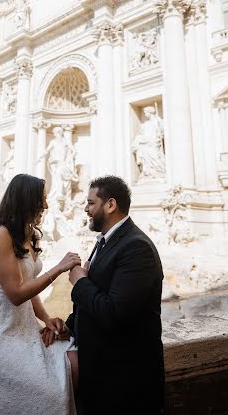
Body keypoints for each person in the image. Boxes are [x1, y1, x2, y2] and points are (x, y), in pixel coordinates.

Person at [0, 173, 81, 415]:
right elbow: (15, 294)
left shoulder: (28, 233)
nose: (46, 205)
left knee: (71, 361)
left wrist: (45, 318)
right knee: (50, 392)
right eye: (41, 199)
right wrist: (58, 268)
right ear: (25, 200)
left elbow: (28, 283)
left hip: (21, 327)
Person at [62, 175, 165, 414]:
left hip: (126, 386)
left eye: (90, 203)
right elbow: (99, 297)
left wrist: (80, 282)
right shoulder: (106, 241)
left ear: (110, 205)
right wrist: (67, 327)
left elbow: (113, 312)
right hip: (103, 377)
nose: (86, 209)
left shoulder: (136, 247)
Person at [132, 105, 166, 180]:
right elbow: (141, 134)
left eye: (145, 112)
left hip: (154, 143)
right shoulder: (145, 124)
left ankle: (159, 171)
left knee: (154, 156)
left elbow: (162, 131)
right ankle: (147, 172)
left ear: (150, 112)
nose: (145, 114)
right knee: (142, 149)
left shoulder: (157, 120)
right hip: (147, 142)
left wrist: (160, 128)